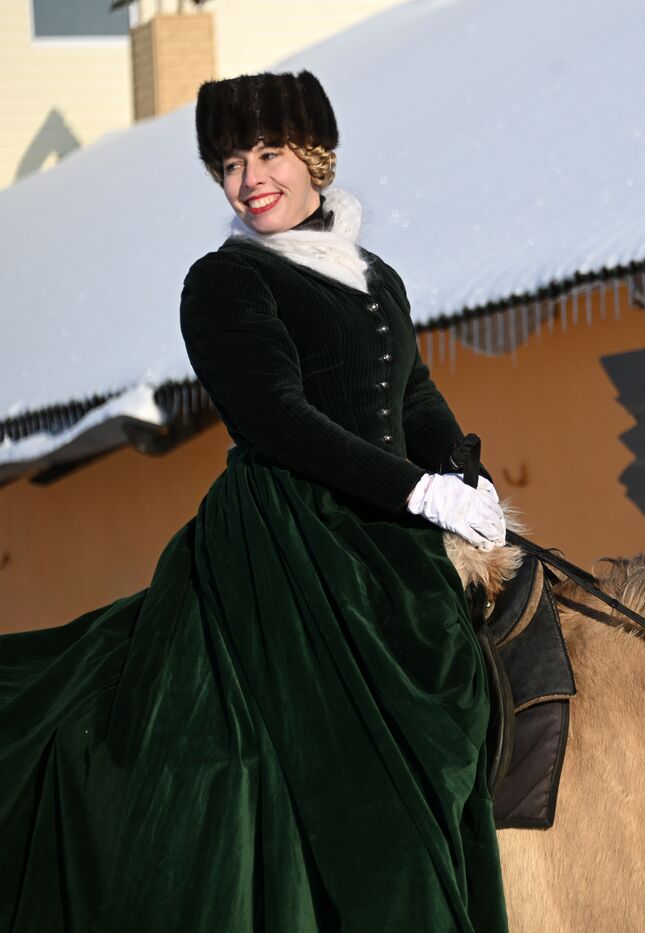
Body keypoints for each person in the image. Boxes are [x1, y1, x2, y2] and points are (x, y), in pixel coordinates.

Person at [0, 70, 512, 932]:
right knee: (247, 753)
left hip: (389, 535)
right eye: (230, 163)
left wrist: (464, 471)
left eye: (266, 153)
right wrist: (417, 490)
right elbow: (276, 416)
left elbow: (411, 392)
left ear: (313, 155)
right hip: (290, 537)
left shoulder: (371, 272)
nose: (249, 179)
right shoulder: (225, 283)